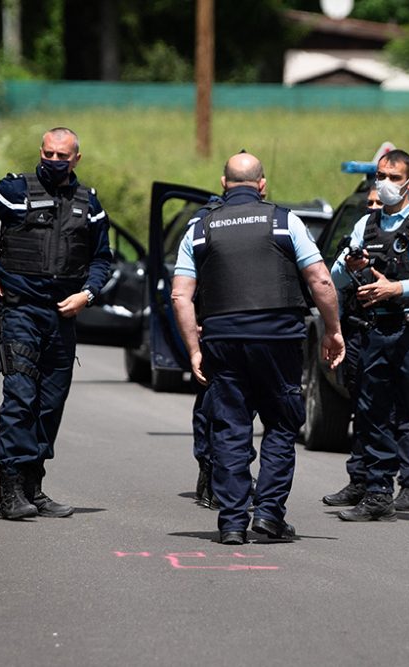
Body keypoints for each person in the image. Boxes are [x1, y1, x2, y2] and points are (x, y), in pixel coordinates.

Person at [172, 151, 345, 545]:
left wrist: (194, 349)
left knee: (230, 428)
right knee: (281, 425)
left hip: (222, 341)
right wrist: (333, 330)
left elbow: (181, 297)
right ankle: (268, 515)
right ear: (262, 185)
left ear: (223, 183)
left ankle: (232, 522)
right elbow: (320, 280)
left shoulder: (199, 228)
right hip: (278, 341)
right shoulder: (286, 222)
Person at [0, 127, 112, 520]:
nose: (55, 161)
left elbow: (103, 259)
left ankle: (33, 487)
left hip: (62, 314)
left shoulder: (89, 203)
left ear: (77, 159)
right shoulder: (13, 190)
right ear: (41, 152)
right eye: (49, 154)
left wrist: (87, 294)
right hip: (19, 309)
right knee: (21, 396)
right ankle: (10, 492)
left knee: (51, 402)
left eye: (63, 156)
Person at [331, 149, 409, 523]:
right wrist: (353, 265)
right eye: (381, 176)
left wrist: (396, 289)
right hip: (376, 331)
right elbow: (337, 275)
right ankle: (377, 493)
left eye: (393, 177)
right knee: (372, 413)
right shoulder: (365, 226)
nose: (385, 184)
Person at [323, 186, 409, 512]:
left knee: (401, 412)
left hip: (397, 329)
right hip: (359, 329)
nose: (374, 207)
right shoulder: (362, 233)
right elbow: (334, 279)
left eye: (379, 202)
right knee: (364, 408)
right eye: (370, 203)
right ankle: (362, 479)